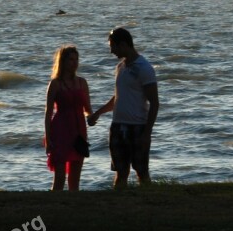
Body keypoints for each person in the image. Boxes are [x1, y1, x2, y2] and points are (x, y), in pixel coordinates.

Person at [88, 27, 159, 189]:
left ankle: (149, 202)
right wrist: (98, 113)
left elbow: (154, 103)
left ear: (123, 44)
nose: (111, 51)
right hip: (118, 126)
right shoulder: (121, 67)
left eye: (113, 46)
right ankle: (119, 202)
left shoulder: (144, 68)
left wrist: (147, 133)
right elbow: (117, 97)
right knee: (120, 171)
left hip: (138, 127)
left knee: (142, 171)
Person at [45, 45, 93, 191]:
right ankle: (54, 208)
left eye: (76, 59)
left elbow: (88, 110)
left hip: (78, 131)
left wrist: (92, 117)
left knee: (75, 179)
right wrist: (48, 138)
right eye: (71, 59)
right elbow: (48, 113)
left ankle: (73, 209)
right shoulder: (55, 84)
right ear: (63, 61)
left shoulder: (82, 82)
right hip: (60, 131)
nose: (74, 63)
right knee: (59, 178)